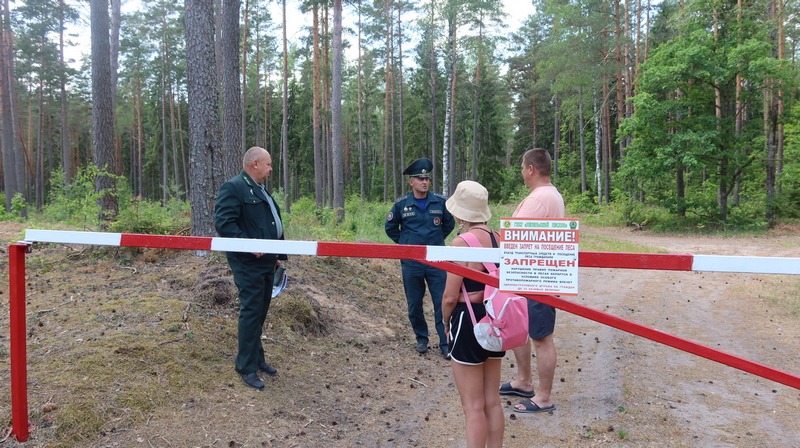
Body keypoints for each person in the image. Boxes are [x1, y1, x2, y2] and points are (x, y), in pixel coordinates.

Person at [214, 146, 288, 391]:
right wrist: (248, 245)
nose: (271, 169)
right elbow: (224, 223)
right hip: (248, 263)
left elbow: (270, 223)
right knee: (251, 312)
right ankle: (245, 367)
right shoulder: (234, 187)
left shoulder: (260, 189)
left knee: (260, 312)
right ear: (255, 163)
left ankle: (257, 359)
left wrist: (277, 255)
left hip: (266, 261)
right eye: (268, 164)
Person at [498, 148, 564, 413]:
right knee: (523, 329)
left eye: (523, 167)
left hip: (537, 277)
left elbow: (514, 238)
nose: (521, 172)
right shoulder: (549, 195)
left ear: (531, 169)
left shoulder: (539, 199)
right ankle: (524, 381)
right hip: (531, 274)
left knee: (541, 337)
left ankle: (543, 397)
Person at [442, 180, 504, 448]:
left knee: (473, 407)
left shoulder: (461, 242)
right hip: (496, 319)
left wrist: (445, 322)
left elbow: (449, 296)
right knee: (492, 401)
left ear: (460, 213)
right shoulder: (499, 238)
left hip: (468, 320)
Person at [385, 158, 455, 358]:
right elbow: (390, 228)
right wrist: (406, 244)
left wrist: (436, 240)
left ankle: (445, 342)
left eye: (427, 178)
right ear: (411, 182)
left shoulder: (440, 202)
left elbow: (448, 224)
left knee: (441, 301)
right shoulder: (401, 205)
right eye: (420, 178)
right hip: (412, 263)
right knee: (414, 303)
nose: (424, 181)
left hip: (436, 261)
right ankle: (421, 339)